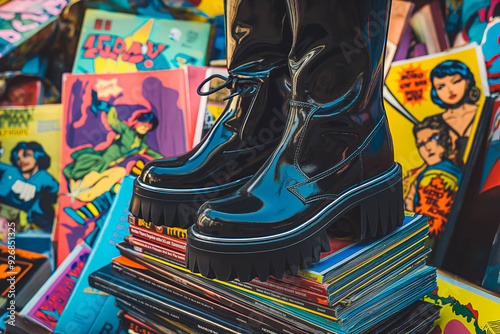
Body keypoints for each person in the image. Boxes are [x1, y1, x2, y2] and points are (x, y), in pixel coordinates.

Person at [63, 98, 162, 203]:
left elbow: (155, 155)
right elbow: (114, 121)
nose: (144, 128)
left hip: (111, 164)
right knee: (88, 176)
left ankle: (86, 196)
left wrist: (169, 162)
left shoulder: (141, 145)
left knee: (117, 174)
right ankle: (77, 190)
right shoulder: (126, 131)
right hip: (102, 160)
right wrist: (109, 108)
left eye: (147, 128)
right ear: (137, 122)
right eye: (143, 125)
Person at [404, 118, 462, 237]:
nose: (427, 148)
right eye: (420, 144)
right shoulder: (425, 171)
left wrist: (409, 208)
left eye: (432, 138)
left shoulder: (436, 174)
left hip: (424, 241)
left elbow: (431, 226)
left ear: (446, 138)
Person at [424, 60, 480, 162]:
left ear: (467, 81)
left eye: (455, 81)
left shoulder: (483, 110)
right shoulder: (432, 123)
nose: (450, 90)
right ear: (435, 91)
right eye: (441, 87)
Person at [0, 141, 58, 232]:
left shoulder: (44, 177)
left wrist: (36, 186)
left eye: (26, 155)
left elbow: (57, 189)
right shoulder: (11, 171)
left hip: (38, 226)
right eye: (18, 158)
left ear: (38, 156)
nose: (21, 160)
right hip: (8, 223)